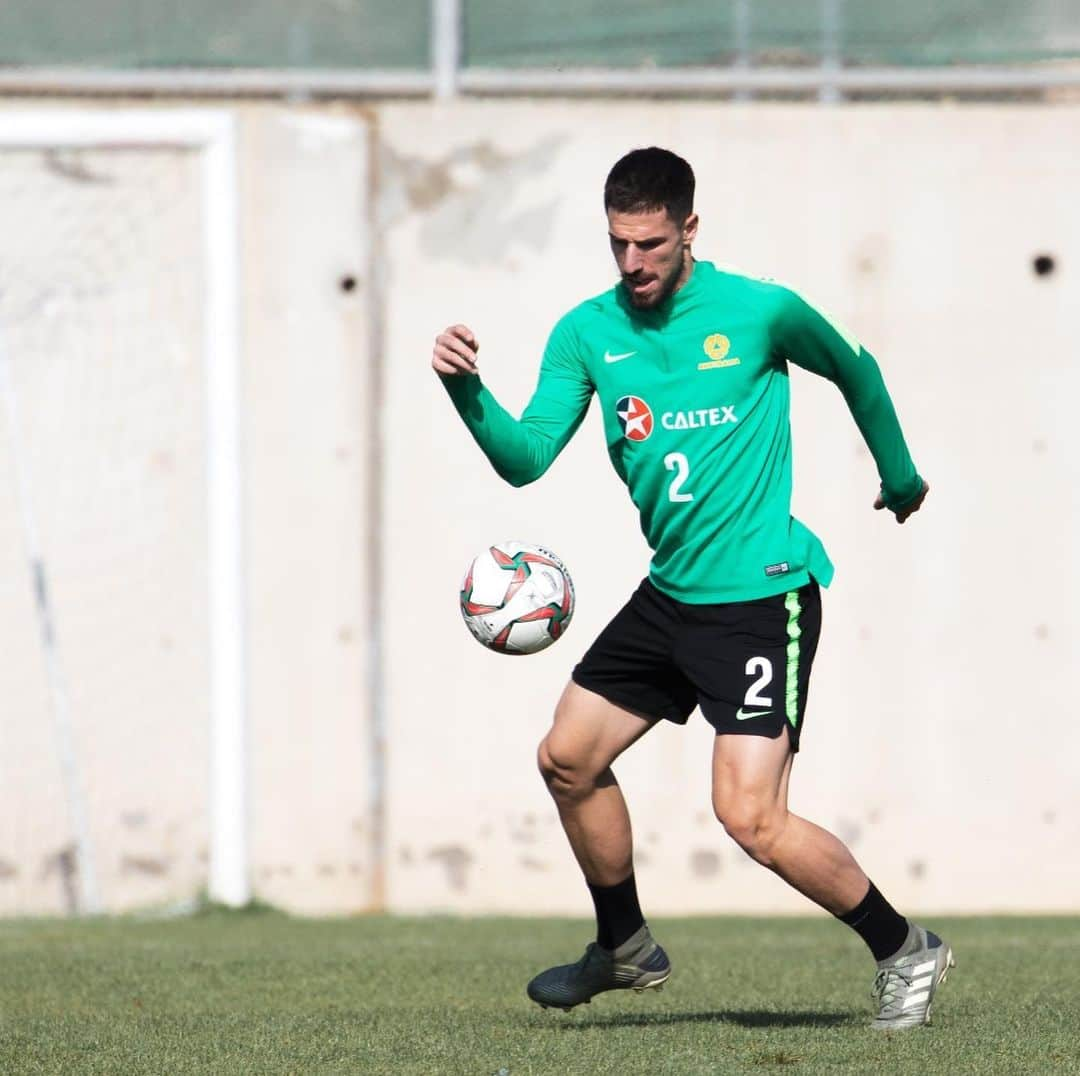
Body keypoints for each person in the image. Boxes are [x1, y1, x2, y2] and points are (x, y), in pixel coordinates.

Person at [431, 146, 953, 1031]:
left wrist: (899, 477)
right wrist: (467, 391)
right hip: (670, 596)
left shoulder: (759, 312)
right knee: (567, 759)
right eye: (618, 245)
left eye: (651, 244)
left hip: (761, 597)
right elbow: (524, 460)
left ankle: (906, 950)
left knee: (750, 818)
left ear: (689, 231)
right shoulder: (586, 332)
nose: (633, 263)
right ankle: (625, 946)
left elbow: (856, 369)